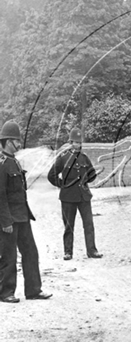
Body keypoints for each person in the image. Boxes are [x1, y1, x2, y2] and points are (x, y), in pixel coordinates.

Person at [0, 120, 52, 303]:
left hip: (22, 216)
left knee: (31, 252)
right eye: (17, 140)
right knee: (9, 256)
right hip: (9, 219)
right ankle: (6, 292)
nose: (19, 144)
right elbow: (1, 196)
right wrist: (5, 221)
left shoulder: (15, 162)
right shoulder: (2, 163)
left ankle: (33, 290)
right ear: (8, 141)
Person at [47, 128, 102, 261]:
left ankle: (92, 251)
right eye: (75, 142)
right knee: (68, 225)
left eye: (79, 142)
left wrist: (85, 181)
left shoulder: (84, 158)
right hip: (68, 197)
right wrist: (63, 185)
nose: (78, 145)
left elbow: (92, 174)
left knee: (88, 224)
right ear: (70, 142)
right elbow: (51, 175)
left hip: (84, 196)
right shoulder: (63, 158)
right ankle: (68, 252)